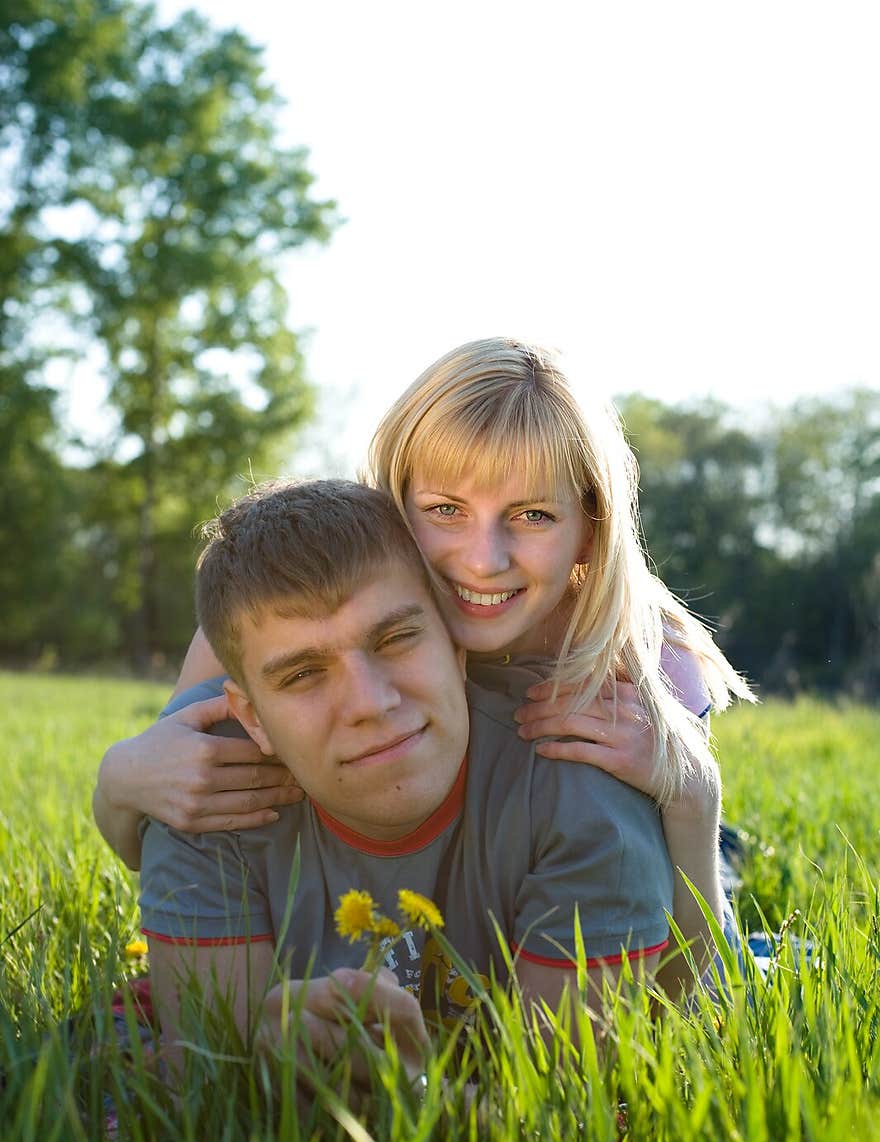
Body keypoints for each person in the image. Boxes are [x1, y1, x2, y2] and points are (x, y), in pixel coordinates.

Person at [95, 337, 752, 983]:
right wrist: (120, 780)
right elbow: (183, 820)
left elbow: (688, 973)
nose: (482, 559)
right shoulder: (297, 614)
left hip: (615, 855)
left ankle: (732, 846)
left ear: (590, 524)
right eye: (445, 510)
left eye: (531, 514)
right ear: (394, 498)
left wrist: (695, 800)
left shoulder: (638, 659)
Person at [138, 477, 691, 1091]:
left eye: (397, 639)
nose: (370, 703)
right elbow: (206, 1089)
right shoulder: (206, 793)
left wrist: (402, 1097)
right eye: (302, 675)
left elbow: (559, 1110)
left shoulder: (584, 794)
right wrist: (265, 1071)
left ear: (458, 649)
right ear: (251, 718)